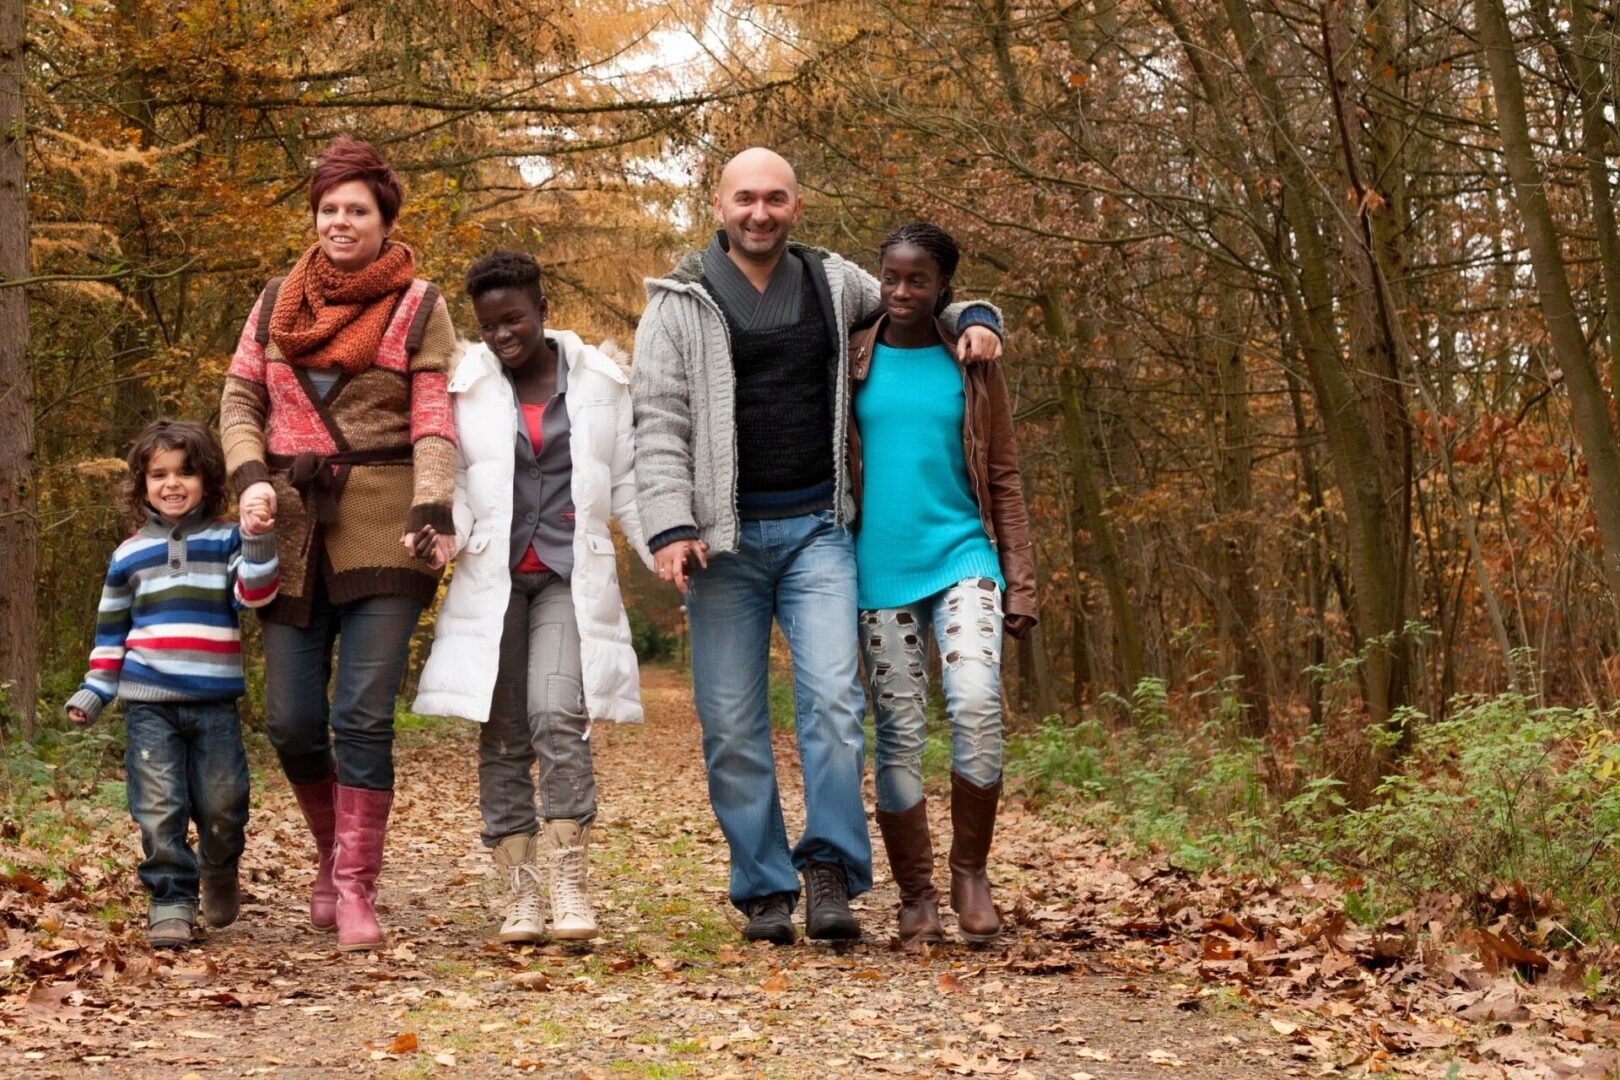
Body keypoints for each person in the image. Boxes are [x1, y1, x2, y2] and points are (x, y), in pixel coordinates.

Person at [631, 147, 1004, 944]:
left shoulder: (837, 285)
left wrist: (981, 318)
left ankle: (830, 867)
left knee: (836, 706)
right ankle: (764, 884)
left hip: (819, 533)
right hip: (720, 546)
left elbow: (922, 301)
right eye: (744, 199)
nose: (758, 213)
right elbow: (658, 423)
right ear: (719, 204)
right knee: (730, 723)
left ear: (796, 205)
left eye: (774, 198)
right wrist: (669, 526)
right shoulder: (679, 301)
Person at [219, 135, 458, 952]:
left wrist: (435, 503)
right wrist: (250, 474)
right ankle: (330, 852)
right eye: (329, 210)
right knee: (289, 719)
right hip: (285, 521)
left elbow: (433, 416)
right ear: (314, 217)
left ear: (386, 219)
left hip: (386, 520)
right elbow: (239, 399)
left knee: (360, 711)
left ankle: (356, 885)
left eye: (357, 209)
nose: (341, 222)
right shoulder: (274, 302)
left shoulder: (420, 305)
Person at [413, 250, 653, 944]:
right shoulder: (464, 388)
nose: (501, 335)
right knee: (503, 731)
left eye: (513, 319)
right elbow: (452, 484)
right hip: (492, 579)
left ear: (544, 309)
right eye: (488, 325)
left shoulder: (605, 382)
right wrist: (442, 537)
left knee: (556, 710)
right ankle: (519, 889)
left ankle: (570, 876)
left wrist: (663, 547)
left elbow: (630, 481)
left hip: (566, 577)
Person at [848, 223, 1037, 944]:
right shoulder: (855, 355)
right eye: (891, 277)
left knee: (977, 701)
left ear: (943, 288)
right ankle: (917, 895)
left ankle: (969, 873)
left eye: (917, 280)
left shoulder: (972, 364)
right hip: (880, 571)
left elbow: (1005, 477)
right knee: (897, 729)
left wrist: (1021, 583)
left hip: (965, 557)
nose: (900, 292)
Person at [65, 420, 280, 950]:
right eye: (158, 474)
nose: (173, 483)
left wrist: (256, 537)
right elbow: (111, 632)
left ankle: (220, 866)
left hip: (214, 703)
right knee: (159, 808)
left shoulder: (227, 538)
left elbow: (254, 595)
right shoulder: (128, 554)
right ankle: (170, 900)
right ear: (142, 485)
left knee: (225, 804)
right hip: (148, 705)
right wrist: (95, 690)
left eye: (185, 472)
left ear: (207, 478)